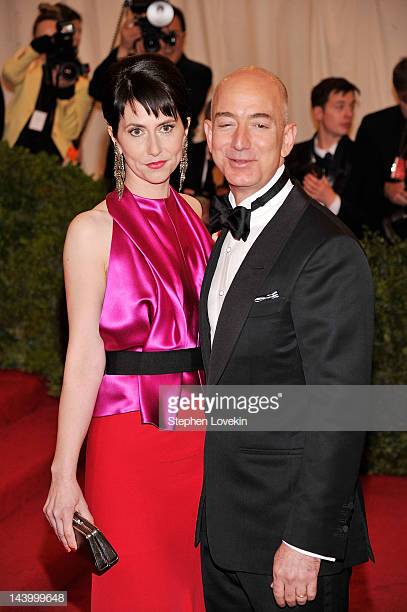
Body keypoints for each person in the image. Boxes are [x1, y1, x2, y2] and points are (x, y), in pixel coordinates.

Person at [196, 67, 374, 611]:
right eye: (226, 123)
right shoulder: (219, 233)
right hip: (223, 530)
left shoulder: (326, 248)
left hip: (290, 544)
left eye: (259, 124)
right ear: (208, 133)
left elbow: (341, 407)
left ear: (288, 136)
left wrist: (305, 542)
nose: (240, 142)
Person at [43, 54, 213, 611]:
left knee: (195, 589)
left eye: (166, 126)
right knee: (137, 590)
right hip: (127, 436)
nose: (154, 147)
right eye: (137, 130)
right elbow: (83, 354)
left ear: (186, 129)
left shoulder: (196, 214)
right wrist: (64, 470)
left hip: (201, 429)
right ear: (115, 136)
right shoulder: (91, 231)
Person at [89, 4, 212, 192]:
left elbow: (188, 107)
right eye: (136, 131)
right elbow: (97, 90)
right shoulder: (129, 72)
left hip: (175, 177)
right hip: (124, 176)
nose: (162, 44)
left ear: (183, 36)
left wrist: (150, 65)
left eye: (170, 37)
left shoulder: (197, 73)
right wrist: (125, 49)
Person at [1, 3, 91, 162]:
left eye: (53, 37)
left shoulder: (79, 82)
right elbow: (9, 74)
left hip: (54, 158)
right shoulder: (28, 69)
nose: (50, 43)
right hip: (16, 148)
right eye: (44, 39)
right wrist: (33, 50)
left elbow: (71, 132)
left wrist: (65, 95)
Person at [286, 77, 361, 235]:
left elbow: (369, 217)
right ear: (319, 112)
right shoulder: (292, 155)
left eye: (352, 106)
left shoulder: (362, 155)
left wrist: (332, 200)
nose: (349, 114)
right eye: (340, 106)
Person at [351, 57, 407, 235]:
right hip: (384, 234)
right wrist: (384, 188)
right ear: (398, 95)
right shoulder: (375, 127)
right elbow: (357, 183)